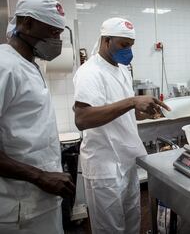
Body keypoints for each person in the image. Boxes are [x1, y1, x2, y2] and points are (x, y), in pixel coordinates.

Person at [73, 17, 170, 233]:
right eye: (123, 45)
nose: (128, 51)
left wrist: (141, 112)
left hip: (126, 160)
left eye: (131, 45)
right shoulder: (90, 72)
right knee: (110, 228)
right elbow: (82, 118)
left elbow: (121, 111)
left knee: (132, 220)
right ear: (106, 41)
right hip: (104, 165)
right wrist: (132, 101)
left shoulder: (122, 70)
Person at [0, 0, 75, 233]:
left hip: (40, 201)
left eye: (60, 33)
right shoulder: (4, 66)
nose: (58, 40)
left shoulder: (30, 64)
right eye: (53, 32)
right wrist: (40, 176)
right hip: (19, 207)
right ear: (27, 23)